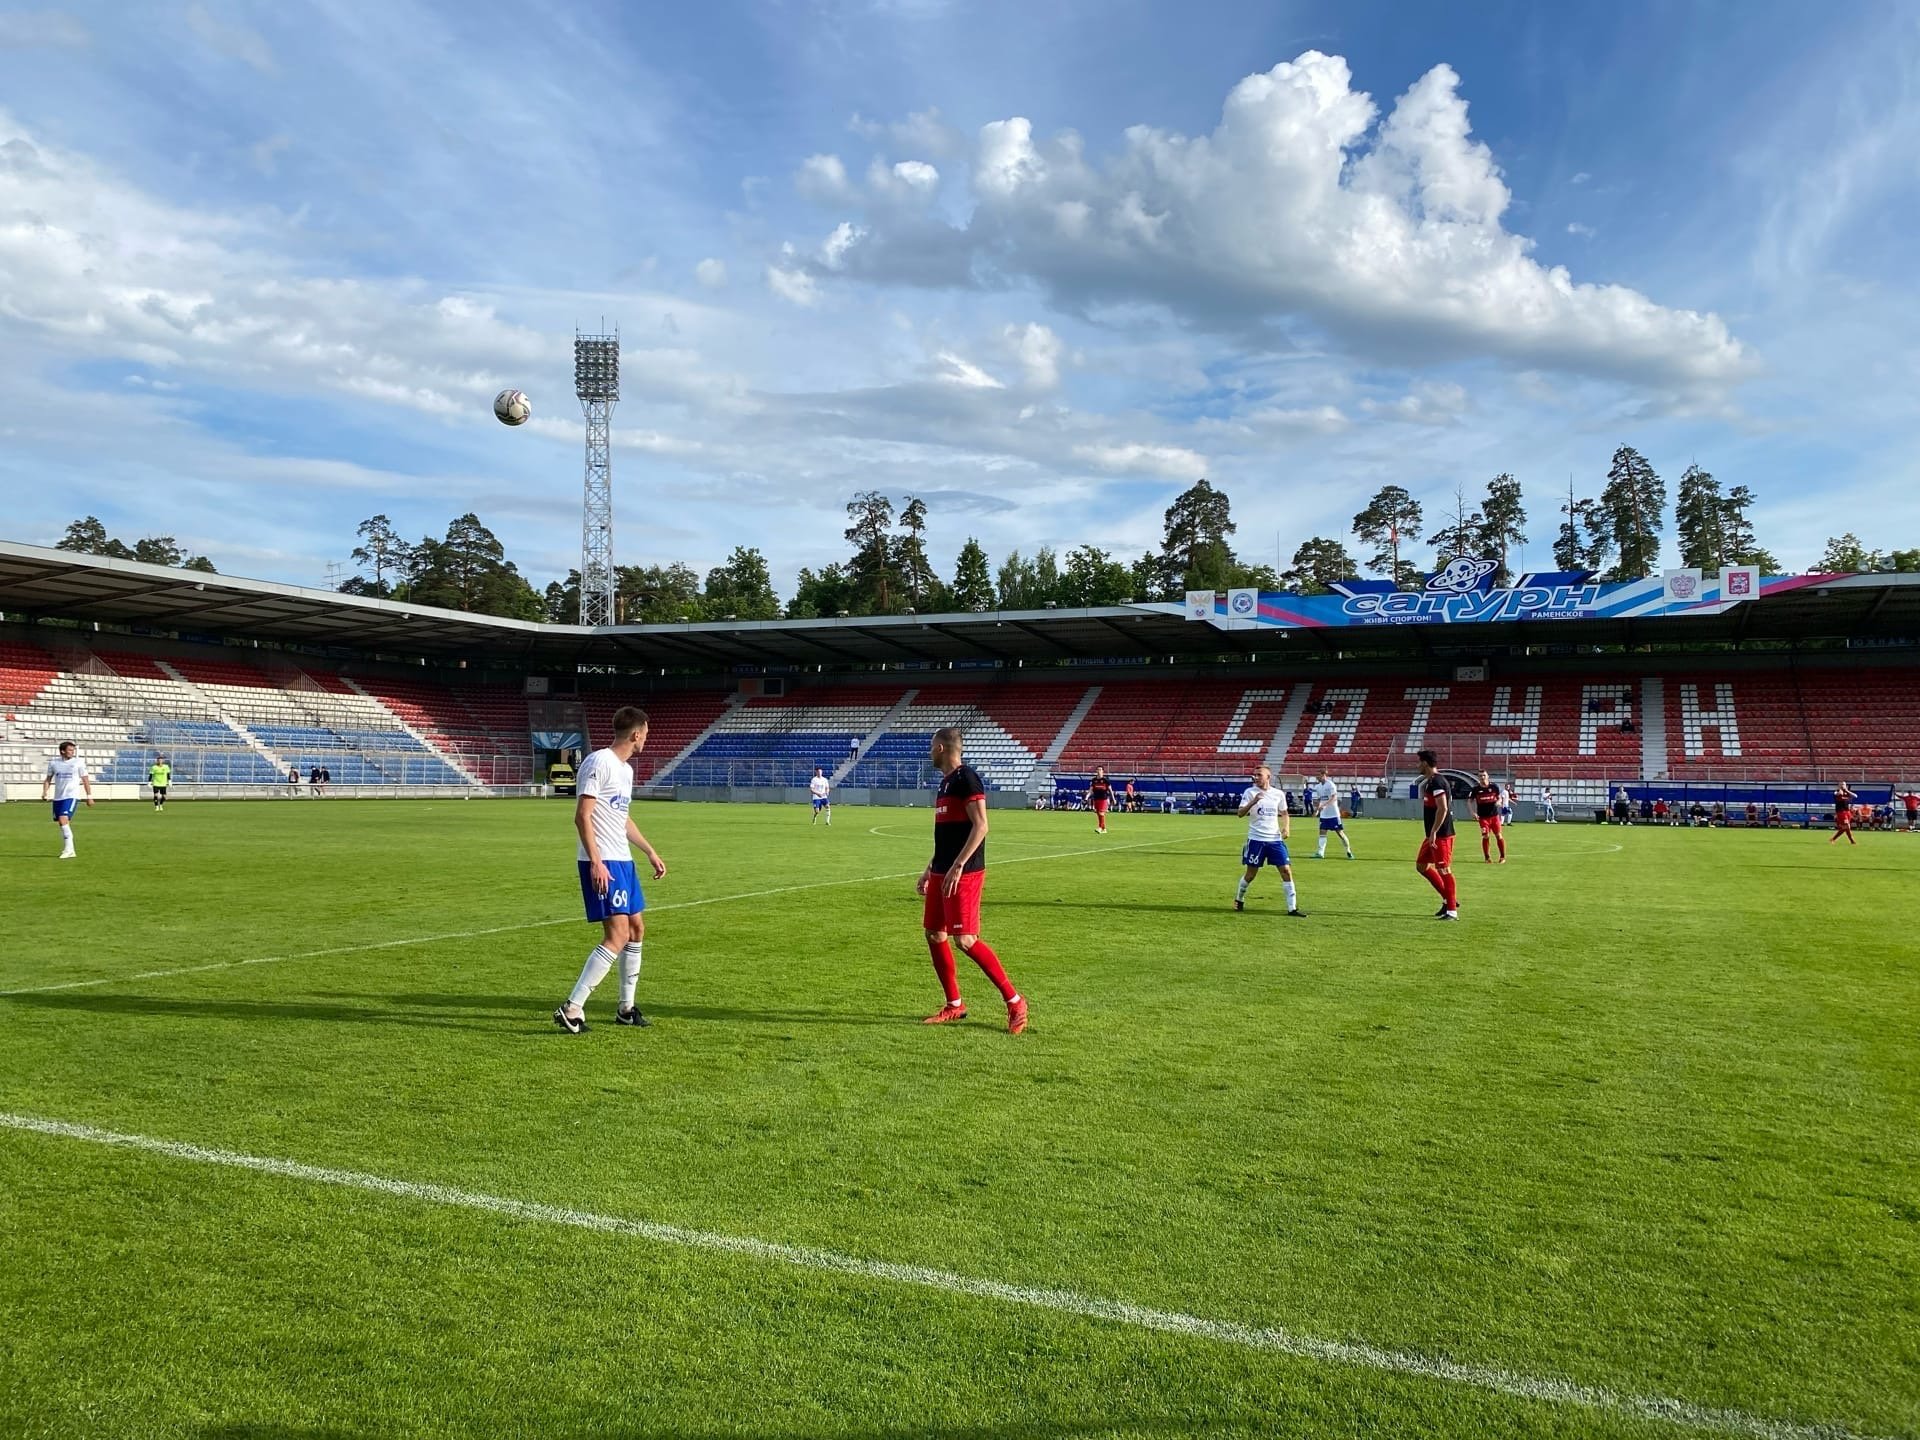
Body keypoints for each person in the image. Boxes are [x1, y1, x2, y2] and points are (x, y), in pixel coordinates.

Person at [554, 706, 668, 1033]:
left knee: (636, 929)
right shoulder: (599, 762)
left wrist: (649, 851)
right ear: (635, 735)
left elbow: (622, 818)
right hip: (603, 861)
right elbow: (582, 815)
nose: (647, 738)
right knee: (617, 935)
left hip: (623, 861)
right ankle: (573, 1008)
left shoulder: (625, 771)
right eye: (645, 733)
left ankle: (625, 1008)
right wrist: (597, 862)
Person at [919, 727, 1026, 1033]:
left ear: (941, 747)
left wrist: (958, 866)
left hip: (963, 871)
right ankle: (954, 1005)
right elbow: (948, 835)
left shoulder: (967, 778)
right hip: (943, 869)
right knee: (934, 934)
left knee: (965, 940)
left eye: (931, 747)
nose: (929, 752)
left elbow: (981, 826)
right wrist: (930, 868)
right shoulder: (945, 784)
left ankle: (1015, 1001)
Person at [1233, 764, 1305, 916]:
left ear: (1268, 777)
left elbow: (1284, 813)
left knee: (1286, 870)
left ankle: (1292, 908)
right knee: (1251, 875)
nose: (1256, 777)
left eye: (1259, 775)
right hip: (1256, 840)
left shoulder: (1278, 794)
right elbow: (1240, 814)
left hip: (1275, 840)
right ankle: (1239, 899)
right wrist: (1253, 802)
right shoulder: (1250, 792)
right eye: (1255, 775)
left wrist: (1286, 827)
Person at [1416, 751, 1460, 919]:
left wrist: (1434, 831)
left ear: (1426, 763)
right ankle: (1449, 899)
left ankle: (1452, 911)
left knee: (1444, 869)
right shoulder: (1431, 782)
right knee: (1422, 866)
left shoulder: (1438, 782)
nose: (1417, 765)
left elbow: (1443, 809)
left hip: (1441, 834)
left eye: (1419, 762)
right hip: (1432, 835)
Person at [41, 740, 93, 860]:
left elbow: (85, 779)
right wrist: (45, 792)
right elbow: (48, 779)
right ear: (62, 751)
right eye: (70, 750)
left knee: (63, 819)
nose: (72, 752)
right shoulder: (54, 763)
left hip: (71, 796)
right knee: (61, 822)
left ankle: (69, 849)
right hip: (58, 797)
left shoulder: (78, 762)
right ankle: (71, 850)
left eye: (73, 750)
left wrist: (89, 796)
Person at [1307, 769, 1354, 859]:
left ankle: (1348, 850)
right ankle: (1320, 853)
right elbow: (1320, 799)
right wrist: (1317, 810)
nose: (1317, 777)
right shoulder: (1318, 787)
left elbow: (1334, 797)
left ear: (1324, 775)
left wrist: (1324, 805)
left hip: (1333, 814)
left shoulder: (1331, 784)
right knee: (1322, 832)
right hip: (1324, 815)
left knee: (1340, 833)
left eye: (1318, 775)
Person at [1468, 770, 1507, 863]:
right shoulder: (1476, 789)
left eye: (1484, 775)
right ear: (1478, 778)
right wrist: (1472, 812)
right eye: (1480, 776)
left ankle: (1502, 857)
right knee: (1486, 836)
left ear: (1488, 776)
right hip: (1483, 818)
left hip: (1494, 816)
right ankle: (1487, 858)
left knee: (1498, 835)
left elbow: (1499, 797)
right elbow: (1469, 801)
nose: (1482, 777)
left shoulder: (1494, 787)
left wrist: (1499, 802)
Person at [1829, 780, 1858, 847]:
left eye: (1844, 784)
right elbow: (1837, 794)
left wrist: (1847, 791)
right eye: (1841, 784)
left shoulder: (1847, 792)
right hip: (1841, 812)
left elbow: (1855, 796)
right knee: (1847, 826)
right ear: (1839, 785)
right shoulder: (1836, 791)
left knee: (1846, 827)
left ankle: (1833, 839)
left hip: (1847, 811)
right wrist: (1840, 791)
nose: (1842, 785)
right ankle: (1852, 840)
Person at [1088, 767, 1113, 834]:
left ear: (1103, 771)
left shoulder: (1105, 780)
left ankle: (1099, 827)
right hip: (1096, 799)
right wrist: (1087, 796)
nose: (1099, 771)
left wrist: (1113, 798)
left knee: (1101, 813)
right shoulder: (1094, 780)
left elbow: (1110, 790)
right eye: (1098, 769)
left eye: (1100, 770)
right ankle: (1104, 829)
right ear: (1096, 771)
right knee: (1099, 814)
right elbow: (1091, 789)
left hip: (1103, 799)